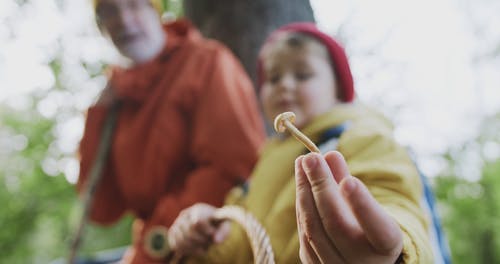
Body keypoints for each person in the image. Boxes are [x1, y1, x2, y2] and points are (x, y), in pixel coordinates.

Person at [166, 22, 434, 263]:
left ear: (338, 91)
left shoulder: (362, 137)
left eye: (303, 75)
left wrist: (392, 247)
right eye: (273, 78)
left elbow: (394, 197)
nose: (285, 85)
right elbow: (246, 242)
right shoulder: (263, 163)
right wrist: (211, 234)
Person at [76, 0, 265, 262]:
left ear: (156, 11)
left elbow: (231, 168)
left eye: (134, 5)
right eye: (108, 11)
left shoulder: (205, 61)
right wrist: (97, 117)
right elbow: (100, 209)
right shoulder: (117, 98)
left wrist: (153, 244)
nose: (123, 20)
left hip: (208, 242)